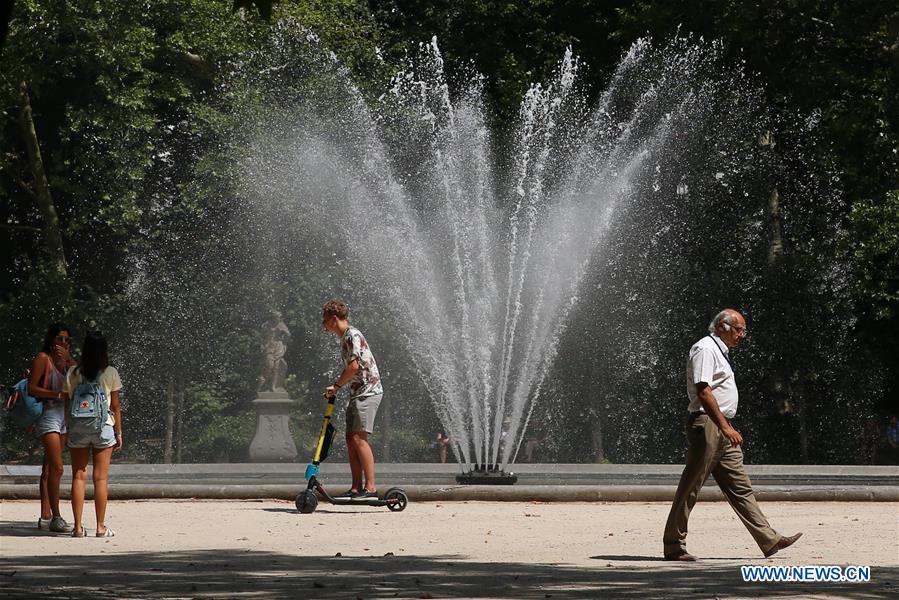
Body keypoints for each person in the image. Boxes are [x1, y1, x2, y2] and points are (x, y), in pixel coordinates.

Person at [663, 309, 802, 561]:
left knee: (741, 487)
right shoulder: (705, 348)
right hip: (707, 423)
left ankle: (769, 539)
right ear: (722, 327)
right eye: (739, 329)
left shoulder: (720, 351)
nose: (742, 335)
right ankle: (673, 545)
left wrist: (726, 426)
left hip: (721, 425)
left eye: (743, 331)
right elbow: (703, 390)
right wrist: (725, 427)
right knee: (691, 486)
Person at [321, 300, 383, 500]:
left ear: (334, 319)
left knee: (358, 438)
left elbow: (354, 367)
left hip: (368, 391)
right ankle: (356, 488)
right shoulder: (346, 337)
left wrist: (336, 386)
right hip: (359, 392)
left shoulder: (352, 335)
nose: (323, 325)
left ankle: (370, 488)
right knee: (351, 439)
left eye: (325, 320)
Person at [63, 331, 123, 537]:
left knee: (78, 476)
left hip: (78, 428)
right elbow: (115, 406)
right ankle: (100, 527)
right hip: (103, 427)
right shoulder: (110, 372)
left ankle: (77, 527)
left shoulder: (73, 373)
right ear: (104, 351)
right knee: (100, 478)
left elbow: (67, 403)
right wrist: (118, 432)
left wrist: (68, 428)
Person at [29, 323, 77, 533]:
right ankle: (56, 516)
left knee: (49, 467)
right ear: (51, 340)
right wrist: (57, 394)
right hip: (48, 415)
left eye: (66, 340)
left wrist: (68, 360)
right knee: (57, 468)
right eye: (59, 339)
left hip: (64, 417)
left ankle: (45, 515)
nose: (62, 343)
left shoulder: (69, 363)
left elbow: (81, 380)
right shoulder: (43, 358)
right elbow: (32, 387)